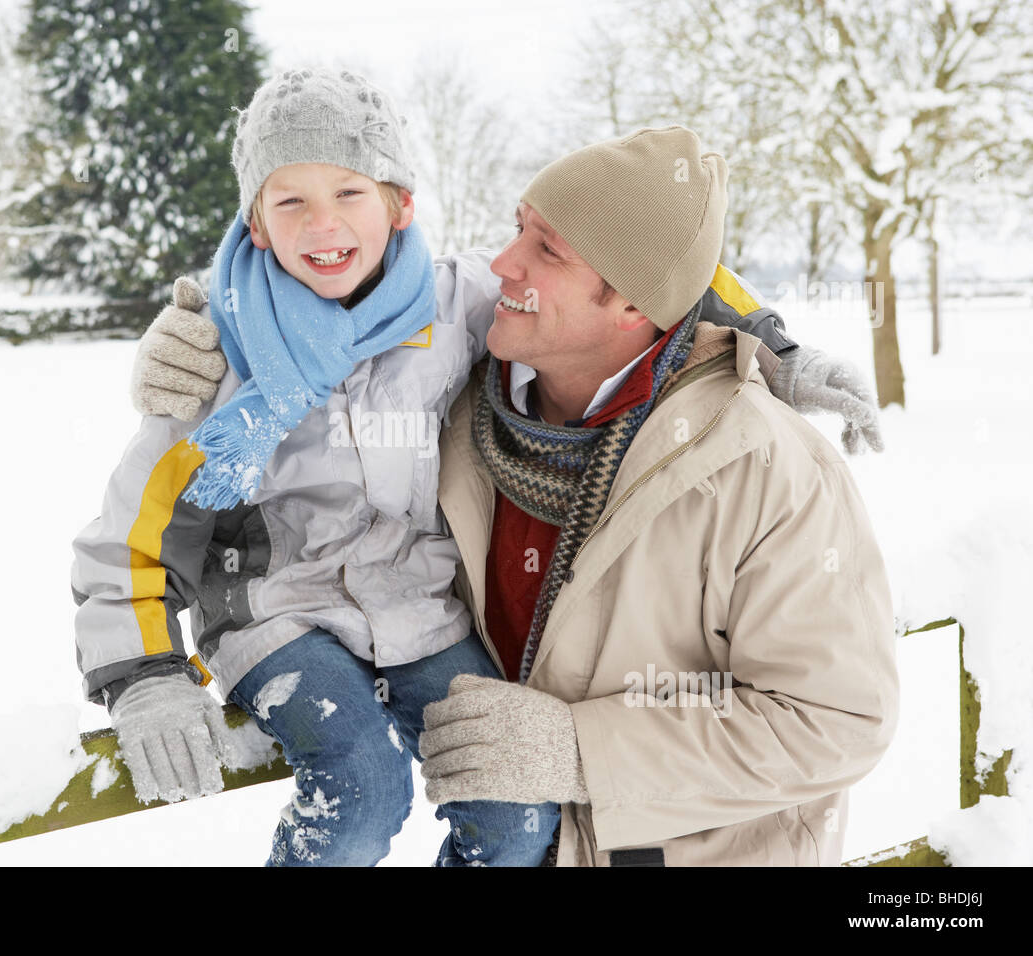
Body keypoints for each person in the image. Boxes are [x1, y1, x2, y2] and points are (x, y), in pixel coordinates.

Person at [131, 126, 898, 866]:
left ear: (633, 303)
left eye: (545, 249)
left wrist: (581, 752)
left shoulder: (762, 466)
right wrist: (217, 339)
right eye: (516, 229)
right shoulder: (461, 397)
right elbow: (330, 303)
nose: (502, 262)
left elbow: (837, 720)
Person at [71, 67, 560, 867]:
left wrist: (772, 345)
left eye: (350, 193)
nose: (320, 224)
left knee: (514, 806)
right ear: (256, 222)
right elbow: (134, 528)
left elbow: (630, 266)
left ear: (401, 204)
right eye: (289, 199)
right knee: (362, 789)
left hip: (422, 609)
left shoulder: (460, 306)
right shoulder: (218, 351)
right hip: (275, 614)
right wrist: (145, 674)